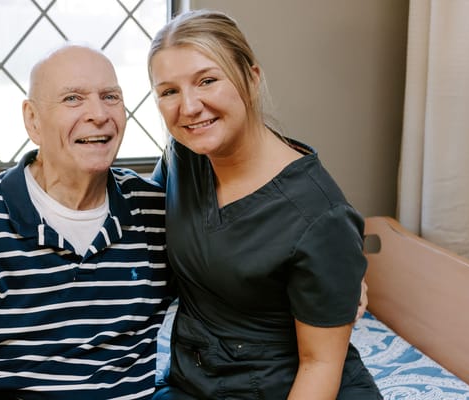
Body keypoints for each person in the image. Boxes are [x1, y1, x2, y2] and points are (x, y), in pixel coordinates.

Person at [0, 45, 174, 399]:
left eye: (110, 96)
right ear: (33, 120)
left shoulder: (154, 212)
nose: (99, 114)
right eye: (73, 98)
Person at [148, 9, 382, 399]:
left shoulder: (320, 215)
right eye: (169, 91)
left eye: (207, 80)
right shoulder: (183, 157)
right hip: (199, 382)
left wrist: (339, 282)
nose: (188, 107)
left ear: (251, 79)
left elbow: (320, 364)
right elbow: (144, 241)